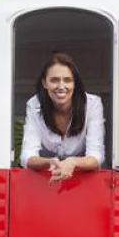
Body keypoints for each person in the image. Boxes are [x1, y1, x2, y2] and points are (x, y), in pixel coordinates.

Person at [20, 52, 105, 181]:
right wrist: (50, 162)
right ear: (44, 82)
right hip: (44, 181)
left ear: (74, 83)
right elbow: (27, 156)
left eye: (67, 80)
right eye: (54, 80)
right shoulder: (34, 105)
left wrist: (72, 162)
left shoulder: (92, 105)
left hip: (83, 181)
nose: (61, 86)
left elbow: (96, 156)